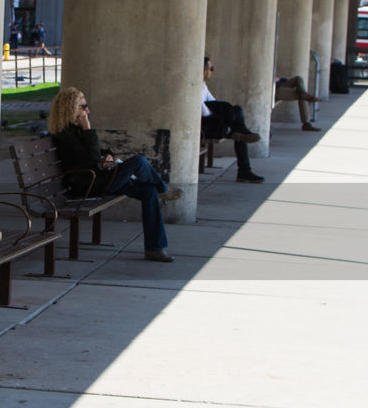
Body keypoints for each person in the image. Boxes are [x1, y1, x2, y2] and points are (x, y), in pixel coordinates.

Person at [48, 87, 182, 262]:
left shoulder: (74, 129)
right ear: (69, 108)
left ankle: (154, 248)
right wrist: (88, 128)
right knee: (138, 161)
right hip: (87, 185)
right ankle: (162, 189)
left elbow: (95, 154)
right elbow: (90, 156)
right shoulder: (64, 135)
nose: (87, 111)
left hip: (97, 178)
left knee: (149, 192)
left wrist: (107, 155)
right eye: (83, 107)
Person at [200, 57, 264, 183]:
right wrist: (220, 114)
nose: (212, 72)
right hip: (204, 127)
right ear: (204, 70)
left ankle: (244, 170)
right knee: (236, 127)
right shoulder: (194, 86)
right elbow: (204, 112)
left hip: (214, 124)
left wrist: (220, 112)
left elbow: (213, 102)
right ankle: (244, 170)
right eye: (211, 69)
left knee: (237, 111)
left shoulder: (203, 85)